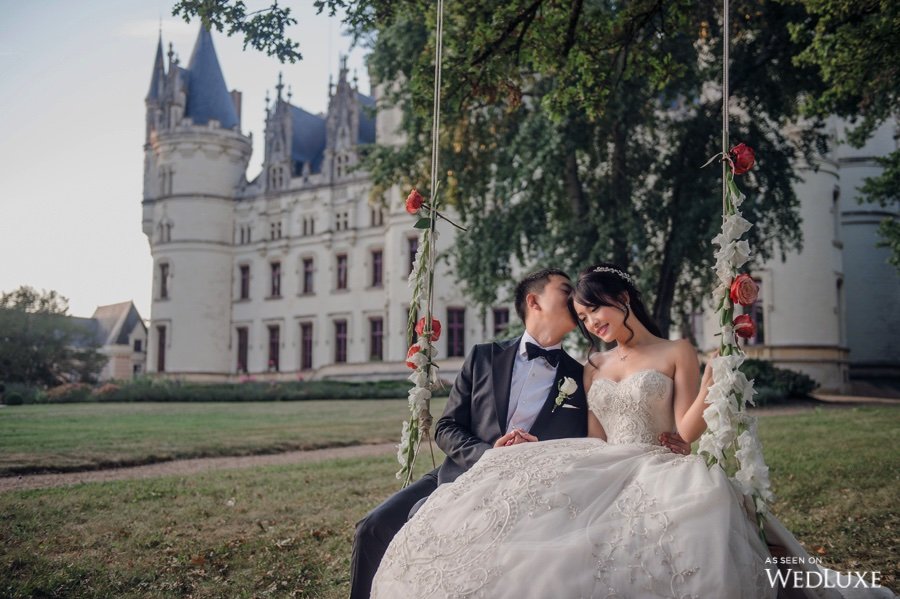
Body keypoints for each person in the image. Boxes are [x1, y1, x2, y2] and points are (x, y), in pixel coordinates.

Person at [371, 264, 892, 599]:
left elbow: (685, 429)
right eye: (581, 314)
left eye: (594, 308)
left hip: (659, 459)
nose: (590, 321)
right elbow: (594, 437)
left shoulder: (677, 351)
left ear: (622, 298)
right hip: (602, 462)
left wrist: (713, 385)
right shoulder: (591, 366)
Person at [349, 268, 691, 598]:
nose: (576, 301)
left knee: (432, 524)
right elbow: (446, 427)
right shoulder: (483, 357)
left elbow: (586, 446)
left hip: (527, 486)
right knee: (373, 527)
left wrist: (534, 451)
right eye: (565, 291)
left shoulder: (582, 374)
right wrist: (489, 454)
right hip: (459, 473)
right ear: (534, 301)